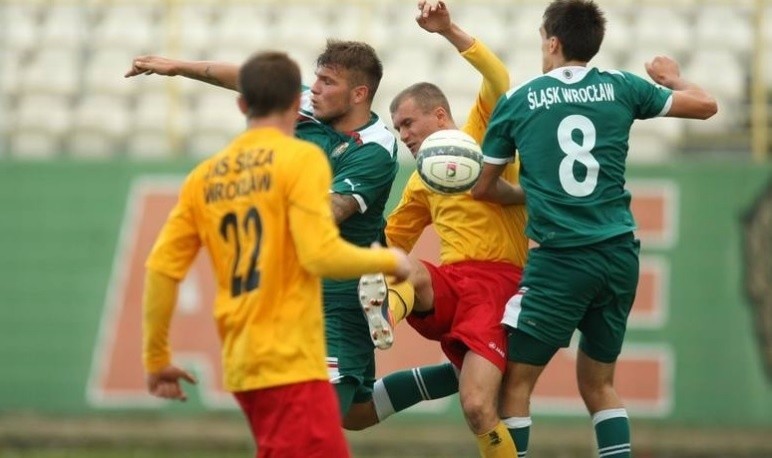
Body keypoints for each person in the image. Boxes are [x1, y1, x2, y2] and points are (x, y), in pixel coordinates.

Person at [471, 1, 718, 456]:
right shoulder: (622, 86)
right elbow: (706, 106)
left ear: (552, 41)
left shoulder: (518, 100)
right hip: (619, 255)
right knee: (600, 385)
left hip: (561, 259)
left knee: (515, 385)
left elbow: (485, 188)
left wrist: (536, 191)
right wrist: (673, 77)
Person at [141, 50, 414, 458]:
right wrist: (389, 261)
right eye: (312, 83)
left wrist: (157, 356)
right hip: (303, 335)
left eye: (326, 83)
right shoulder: (300, 160)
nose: (315, 91)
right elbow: (318, 247)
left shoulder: (206, 176)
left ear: (242, 105)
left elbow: (162, 267)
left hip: (242, 349)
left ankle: (460, 374)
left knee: (356, 412)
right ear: (293, 103)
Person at [342, 3, 529, 457]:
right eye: (398, 127)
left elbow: (498, 79)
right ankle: (383, 314)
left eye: (409, 123)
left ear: (440, 116)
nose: (403, 134)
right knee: (407, 267)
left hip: (499, 286)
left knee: (478, 407)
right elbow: (389, 244)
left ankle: (458, 369)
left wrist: (449, 30)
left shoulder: (482, 137)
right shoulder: (420, 180)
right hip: (453, 284)